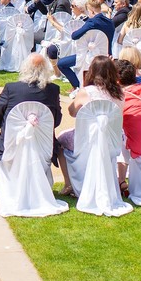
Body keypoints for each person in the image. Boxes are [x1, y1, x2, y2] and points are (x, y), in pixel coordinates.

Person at [55, 55, 124, 196]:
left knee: (61, 139)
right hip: (112, 140)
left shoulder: (86, 92)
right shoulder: (119, 93)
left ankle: (69, 184)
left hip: (87, 140)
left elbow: (72, 112)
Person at [0, 53, 62, 175]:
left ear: (25, 68)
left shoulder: (12, 88)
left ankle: (3, 181)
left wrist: (13, 127)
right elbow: (56, 120)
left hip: (13, 141)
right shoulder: (53, 90)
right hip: (43, 143)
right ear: (46, 70)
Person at [53, 0, 115, 90]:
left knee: (61, 63)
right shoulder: (110, 22)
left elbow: (74, 36)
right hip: (106, 55)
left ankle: (77, 85)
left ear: (92, 11)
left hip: (90, 55)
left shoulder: (91, 22)